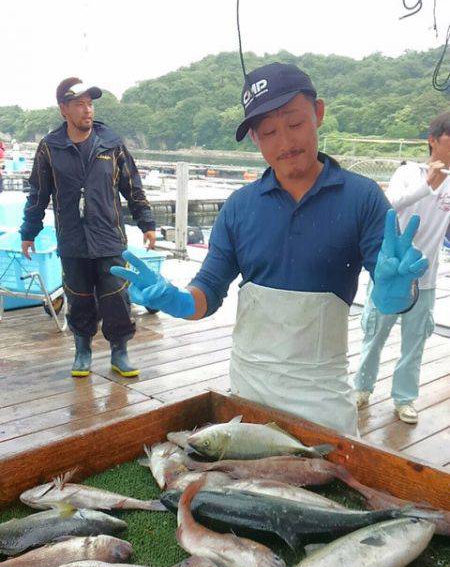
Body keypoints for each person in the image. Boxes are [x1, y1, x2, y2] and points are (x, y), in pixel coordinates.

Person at [111, 62, 428, 436]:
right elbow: (209, 290)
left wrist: (394, 292)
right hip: (249, 386)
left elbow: (392, 289)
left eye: (294, 124)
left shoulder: (363, 198)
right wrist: (177, 300)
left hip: (323, 392)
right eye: (268, 132)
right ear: (255, 140)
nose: (285, 142)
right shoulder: (239, 207)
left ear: (319, 113)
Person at [20, 77, 156, 377]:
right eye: (79, 104)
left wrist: (147, 223)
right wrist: (28, 232)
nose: (87, 110)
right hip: (73, 240)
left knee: (117, 298)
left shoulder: (112, 143)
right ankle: (82, 351)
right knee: (78, 298)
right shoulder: (50, 147)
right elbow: (38, 193)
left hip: (109, 238)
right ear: (63, 110)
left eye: (90, 103)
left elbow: (133, 187)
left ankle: (120, 352)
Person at [354, 112, 450, 424]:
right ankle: (361, 388)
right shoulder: (409, 172)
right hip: (390, 275)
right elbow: (388, 205)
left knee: (415, 342)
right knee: (375, 335)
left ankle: (405, 399)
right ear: (433, 140)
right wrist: (427, 184)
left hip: (426, 278)